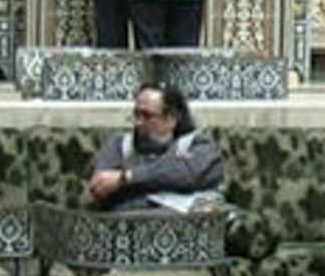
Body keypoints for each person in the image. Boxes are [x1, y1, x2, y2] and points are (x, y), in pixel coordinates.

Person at [84, 83, 224, 213]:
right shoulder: (119, 144)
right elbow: (100, 187)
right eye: (136, 114)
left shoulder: (198, 146)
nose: (138, 123)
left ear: (171, 119)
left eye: (147, 116)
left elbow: (185, 174)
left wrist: (127, 178)